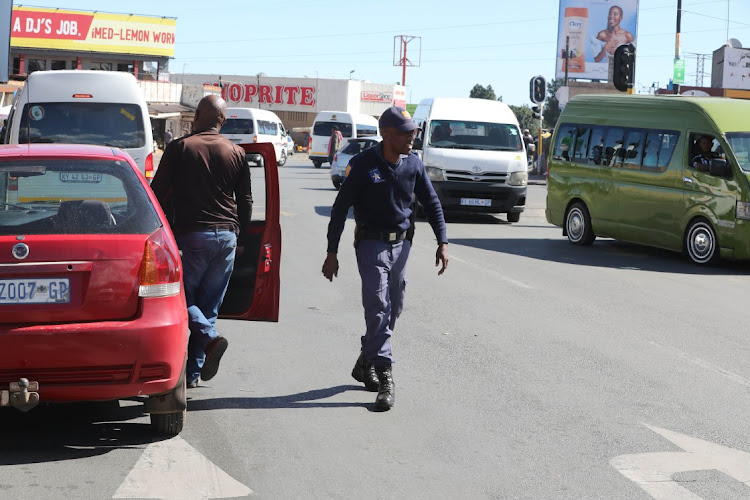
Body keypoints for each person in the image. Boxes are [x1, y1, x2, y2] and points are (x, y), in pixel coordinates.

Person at [322, 106, 449, 411]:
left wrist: (442, 241)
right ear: (387, 134)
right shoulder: (363, 165)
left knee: (395, 306)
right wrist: (332, 251)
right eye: (406, 133)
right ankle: (386, 376)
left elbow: (432, 203)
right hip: (371, 245)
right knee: (378, 307)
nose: (412, 137)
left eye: (413, 132)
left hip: (402, 245)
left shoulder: (414, 165)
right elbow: (340, 209)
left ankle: (366, 359)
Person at [150, 95, 253, 389]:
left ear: (197, 117)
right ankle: (194, 374)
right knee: (208, 307)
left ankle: (208, 340)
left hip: (191, 237)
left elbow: (156, 193)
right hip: (227, 239)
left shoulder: (180, 148)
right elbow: (244, 200)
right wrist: (241, 236)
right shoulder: (237, 152)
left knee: (184, 300)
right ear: (222, 121)